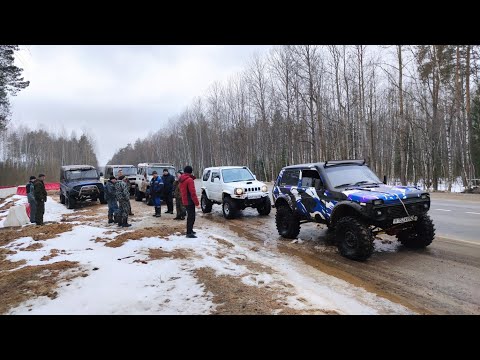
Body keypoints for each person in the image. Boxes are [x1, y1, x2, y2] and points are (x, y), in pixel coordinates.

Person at [179, 166, 200, 238]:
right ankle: (189, 232)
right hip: (189, 201)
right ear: (191, 171)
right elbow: (192, 193)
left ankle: (190, 230)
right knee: (191, 217)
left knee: (190, 216)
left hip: (185, 200)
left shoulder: (182, 179)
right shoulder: (189, 180)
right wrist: (197, 203)